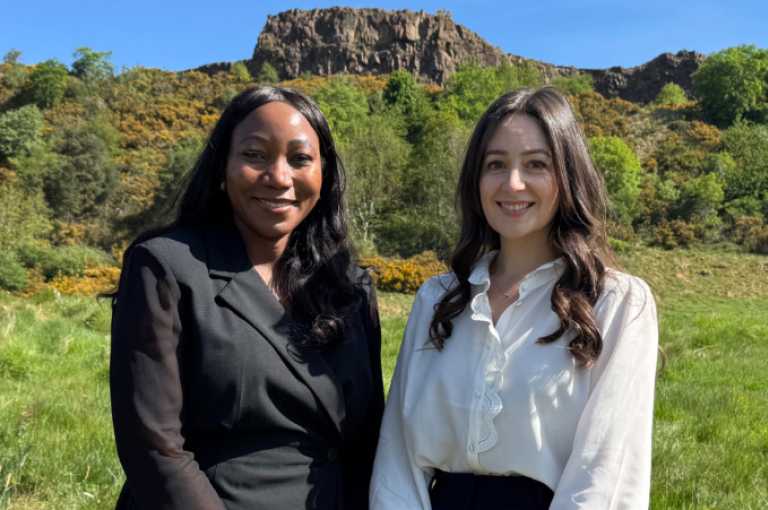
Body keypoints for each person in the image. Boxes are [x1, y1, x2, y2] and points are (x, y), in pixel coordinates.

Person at [370, 87, 659, 510]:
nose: (513, 183)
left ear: (568, 176)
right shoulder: (436, 300)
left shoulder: (616, 304)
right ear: (476, 179)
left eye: (536, 164)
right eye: (496, 164)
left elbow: (606, 475)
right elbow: (396, 455)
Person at [109, 86, 384, 510]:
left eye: (300, 158)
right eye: (255, 154)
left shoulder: (352, 287)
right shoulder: (165, 267)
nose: (278, 177)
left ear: (323, 173)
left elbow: (368, 443)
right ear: (223, 166)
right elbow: (155, 446)